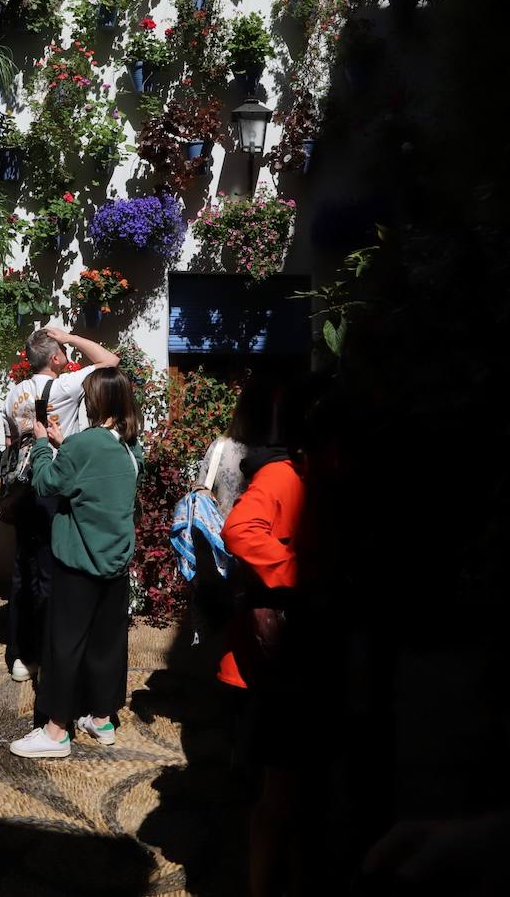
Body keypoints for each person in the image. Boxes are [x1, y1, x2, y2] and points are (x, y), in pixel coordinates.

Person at [10, 367, 143, 760]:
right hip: (115, 565)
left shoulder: (82, 446)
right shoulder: (130, 447)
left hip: (79, 564)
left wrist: (40, 444)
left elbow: (46, 483)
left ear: (95, 401)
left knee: (64, 645)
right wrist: (64, 444)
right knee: (107, 643)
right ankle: (102, 719)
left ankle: (55, 731)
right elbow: (97, 480)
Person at [215, 373, 307, 897]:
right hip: (276, 650)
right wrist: (301, 568)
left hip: (280, 647)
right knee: (275, 792)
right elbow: (239, 529)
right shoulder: (282, 476)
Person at [0, 324, 119, 683]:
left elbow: (10, 441)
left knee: (23, 570)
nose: (67, 356)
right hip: (51, 484)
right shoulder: (64, 385)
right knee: (52, 571)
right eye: (63, 351)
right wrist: (69, 338)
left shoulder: (13, 394)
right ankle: (50, 655)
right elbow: (109, 361)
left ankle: (20, 655)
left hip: (21, 490)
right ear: (54, 357)